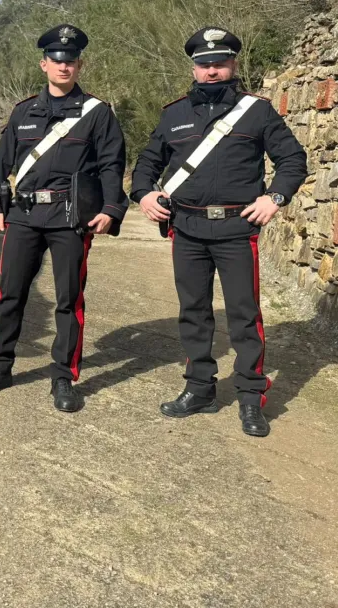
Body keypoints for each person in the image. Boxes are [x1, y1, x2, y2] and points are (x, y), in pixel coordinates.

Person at [131, 27, 307, 437]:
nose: (211, 71)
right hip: (187, 229)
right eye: (204, 64)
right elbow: (146, 163)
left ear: (233, 64)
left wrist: (275, 198)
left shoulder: (257, 111)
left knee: (245, 317)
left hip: (235, 229)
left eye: (219, 63)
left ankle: (250, 398)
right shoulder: (173, 114)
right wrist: (143, 194)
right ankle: (200, 389)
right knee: (194, 313)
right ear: (193, 67)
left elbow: (293, 160)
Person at [0, 24, 129, 412]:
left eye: (70, 60)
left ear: (79, 65)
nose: (64, 66)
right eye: (57, 60)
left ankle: (63, 376)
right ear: (44, 64)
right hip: (23, 216)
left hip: (70, 218)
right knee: (10, 294)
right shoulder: (24, 111)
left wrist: (111, 209)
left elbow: (112, 165)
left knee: (68, 300)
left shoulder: (97, 114)